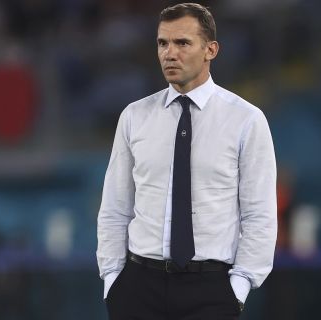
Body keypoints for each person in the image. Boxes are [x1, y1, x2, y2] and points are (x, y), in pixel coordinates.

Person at [97, 3, 277, 319]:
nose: (169, 53)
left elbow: (259, 213)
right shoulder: (134, 117)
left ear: (211, 50)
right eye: (162, 43)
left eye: (182, 43)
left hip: (211, 289)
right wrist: (112, 279)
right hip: (139, 286)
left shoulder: (246, 120)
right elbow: (115, 207)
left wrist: (240, 285)